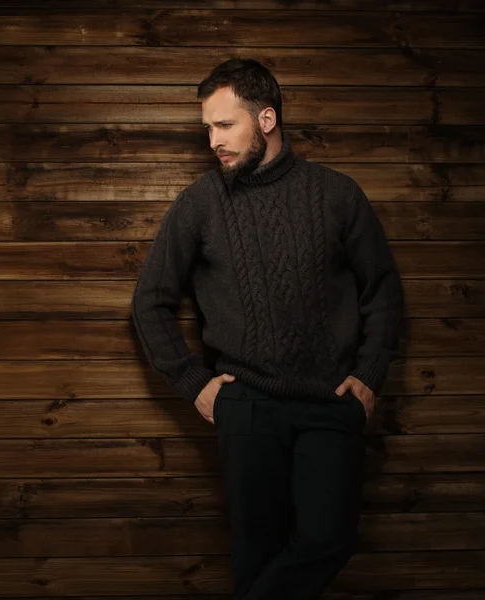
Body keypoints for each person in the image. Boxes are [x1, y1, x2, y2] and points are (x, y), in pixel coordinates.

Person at [131, 58, 405, 600]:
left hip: (331, 404)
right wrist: (194, 383)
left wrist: (370, 373)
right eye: (207, 128)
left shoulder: (338, 195)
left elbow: (384, 290)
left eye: (224, 125)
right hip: (247, 407)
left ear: (266, 119)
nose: (213, 140)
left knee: (329, 539)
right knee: (256, 554)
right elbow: (150, 302)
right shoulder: (199, 204)